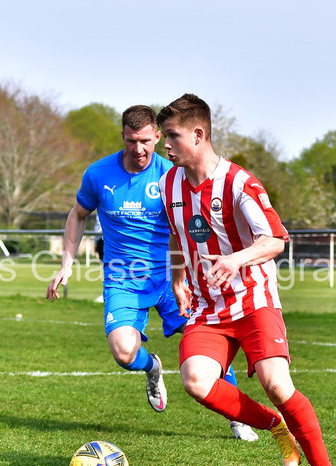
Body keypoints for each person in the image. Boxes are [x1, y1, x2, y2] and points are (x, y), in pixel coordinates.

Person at [157, 94, 336, 466]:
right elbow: (176, 234)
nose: (164, 145)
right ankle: (275, 425)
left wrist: (235, 259)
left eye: (171, 136)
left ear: (198, 134)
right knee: (195, 380)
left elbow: (275, 240)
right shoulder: (168, 184)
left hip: (253, 299)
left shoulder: (239, 183)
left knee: (276, 383)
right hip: (208, 306)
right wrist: (178, 278)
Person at [47, 105, 258, 441]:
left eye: (145, 141)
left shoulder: (172, 175)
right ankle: (153, 367)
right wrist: (66, 263)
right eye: (132, 141)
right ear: (122, 136)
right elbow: (77, 214)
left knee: (210, 348)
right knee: (123, 352)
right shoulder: (98, 174)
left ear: (158, 137)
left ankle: (237, 417)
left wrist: (202, 267)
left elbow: (192, 223)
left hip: (174, 279)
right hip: (122, 280)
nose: (139, 148)